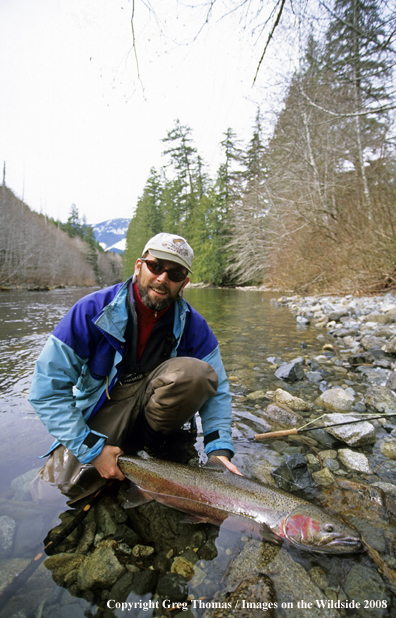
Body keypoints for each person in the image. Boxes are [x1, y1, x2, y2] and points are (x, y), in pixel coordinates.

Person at [28, 233, 241, 501]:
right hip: (105, 408)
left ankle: (150, 446)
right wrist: (92, 449)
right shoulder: (90, 311)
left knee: (198, 374)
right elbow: (46, 390)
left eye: (174, 273)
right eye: (156, 266)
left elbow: (218, 392)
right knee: (53, 493)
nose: (163, 278)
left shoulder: (195, 326)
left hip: (155, 417)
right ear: (139, 266)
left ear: (184, 282)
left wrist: (218, 450)